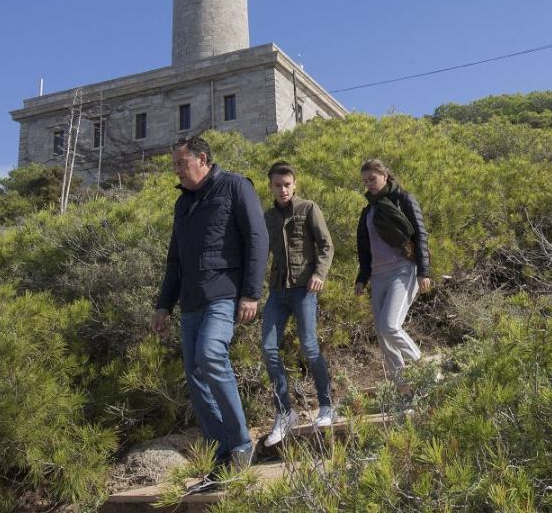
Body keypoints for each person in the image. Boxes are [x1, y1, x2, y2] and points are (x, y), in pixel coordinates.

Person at [152, 135, 268, 491]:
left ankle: (241, 443)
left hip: (224, 294)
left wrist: (251, 292)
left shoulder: (234, 186)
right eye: (174, 165)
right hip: (190, 301)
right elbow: (175, 261)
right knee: (195, 373)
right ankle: (223, 453)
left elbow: (257, 238)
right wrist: (163, 305)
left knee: (210, 354)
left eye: (180, 164)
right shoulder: (181, 204)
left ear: (202, 159)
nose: (176, 171)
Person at [260, 161, 336, 445]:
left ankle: (327, 405)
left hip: (304, 289)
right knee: (268, 348)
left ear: (295, 185)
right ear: (270, 187)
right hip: (277, 292)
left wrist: (319, 274)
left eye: (287, 185)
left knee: (309, 346)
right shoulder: (267, 217)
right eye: (277, 185)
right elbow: (259, 253)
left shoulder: (308, 208)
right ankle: (285, 412)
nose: (283, 190)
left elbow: (326, 245)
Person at [353, 159, 431, 391]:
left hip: (403, 269)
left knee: (389, 326)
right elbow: (364, 249)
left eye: (373, 179)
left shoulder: (404, 199)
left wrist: (424, 271)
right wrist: (361, 278)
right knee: (382, 337)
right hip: (378, 276)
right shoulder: (367, 210)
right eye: (366, 181)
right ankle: (404, 389)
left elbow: (421, 235)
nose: (369, 184)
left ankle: (425, 368)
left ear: (385, 176)